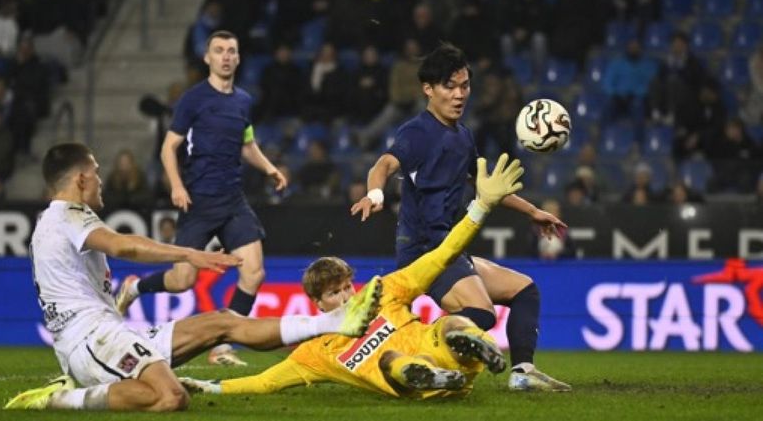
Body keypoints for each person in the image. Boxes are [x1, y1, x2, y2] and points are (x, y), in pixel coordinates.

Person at [4, 142, 382, 412]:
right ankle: (59, 399)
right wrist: (190, 254)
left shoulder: (53, 221)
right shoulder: (68, 214)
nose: (101, 182)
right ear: (82, 179)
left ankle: (334, 321)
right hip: (92, 341)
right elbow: (123, 246)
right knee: (171, 398)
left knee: (222, 322)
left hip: (107, 333)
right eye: (97, 174)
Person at [181, 153, 535, 399]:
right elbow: (263, 383)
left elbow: (443, 254)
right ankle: (426, 373)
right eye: (335, 293)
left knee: (450, 326)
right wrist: (211, 387)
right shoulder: (315, 353)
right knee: (390, 361)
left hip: (451, 358)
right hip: (420, 382)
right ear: (318, 304)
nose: (348, 296)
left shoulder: (386, 290)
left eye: (348, 286)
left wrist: (481, 206)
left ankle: (482, 348)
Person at [350, 43, 570, 391]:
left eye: (464, 86)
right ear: (428, 89)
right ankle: (412, 353)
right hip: (426, 251)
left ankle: (523, 373)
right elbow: (385, 164)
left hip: (451, 247)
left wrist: (533, 211)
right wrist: (375, 193)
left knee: (525, 290)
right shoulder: (417, 132)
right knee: (481, 314)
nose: (459, 94)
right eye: (449, 86)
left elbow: (486, 186)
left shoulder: (463, 136)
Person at [115, 30, 289, 366]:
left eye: (231, 51)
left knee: (254, 273)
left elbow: (247, 145)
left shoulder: (243, 101)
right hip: (199, 201)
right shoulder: (193, 99)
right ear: (207, 58)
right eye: (219, 50)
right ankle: (134, 288)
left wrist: (269, 169)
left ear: (238, 59)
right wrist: (177, 186)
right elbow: (169, 147)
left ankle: (223, 347)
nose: (225, 56)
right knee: (183, 280)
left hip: (233, 200)